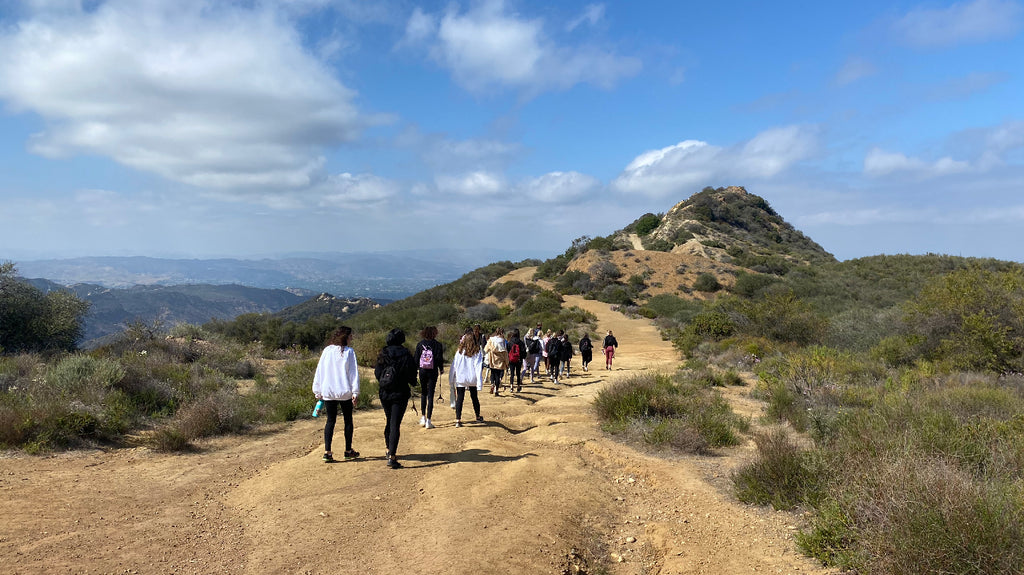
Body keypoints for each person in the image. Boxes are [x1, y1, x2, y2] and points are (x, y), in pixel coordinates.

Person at [312, 326, 360, 463]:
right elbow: (353, 373)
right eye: (350, 336)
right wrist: (355, 392)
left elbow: (319, 370)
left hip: (328, 391)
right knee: (348, 420)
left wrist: (318, 390)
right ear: (345, 337)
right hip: (344, 391)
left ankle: (327, 452)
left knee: (330, 421)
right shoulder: (349, 352)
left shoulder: (327, 350)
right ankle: (348, 450)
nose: (352, 338)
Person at [374, 328, 417, 469]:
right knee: (395, 423)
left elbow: (377, 372)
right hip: (400, 392)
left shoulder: (383, 352)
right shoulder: (406, 354)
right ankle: (392, 456)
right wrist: (413, 383)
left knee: (389, 419)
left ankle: (388, 449)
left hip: (385, 392)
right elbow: (411, 374)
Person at [449, 327, 484, 427]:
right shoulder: (477, 352)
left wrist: (451, 380)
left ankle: (458, 420)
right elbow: (478, 367)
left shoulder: (459, 352)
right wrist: (479, 383)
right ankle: (477, 416)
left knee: (460, 398)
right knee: (474, 397)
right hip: (472, 379)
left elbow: (453, 367)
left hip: (461, 378)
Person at [414, 326, 445, 430]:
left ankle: (422, 417)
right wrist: (441, 369)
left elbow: (416, 359)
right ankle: (429, 421)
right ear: (434, 334)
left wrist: (416, 370)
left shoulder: (419, 345)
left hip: (422, 371)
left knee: (423, 393)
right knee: (431, 395)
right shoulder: (438, 345)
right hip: (433, 371)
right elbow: (440, 359)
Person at [484, 327, 509, 396]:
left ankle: (492, 384)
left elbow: (485, 349)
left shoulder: (491, 339)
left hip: (492, 359)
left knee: (493, 373)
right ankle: (496, 389)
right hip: (500, 360)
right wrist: (507, 363)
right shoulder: (503, 341)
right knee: (498, 375)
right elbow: (505, 352)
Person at [506, 328, 527, 393]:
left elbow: (507, 350)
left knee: (512, 373)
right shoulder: (520, 342)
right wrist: (522, 357)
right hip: (518, 360)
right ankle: (518, 386)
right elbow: (523, 351)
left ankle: (511, 386)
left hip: (511, 359)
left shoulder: (510, 342)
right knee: (518, 373)